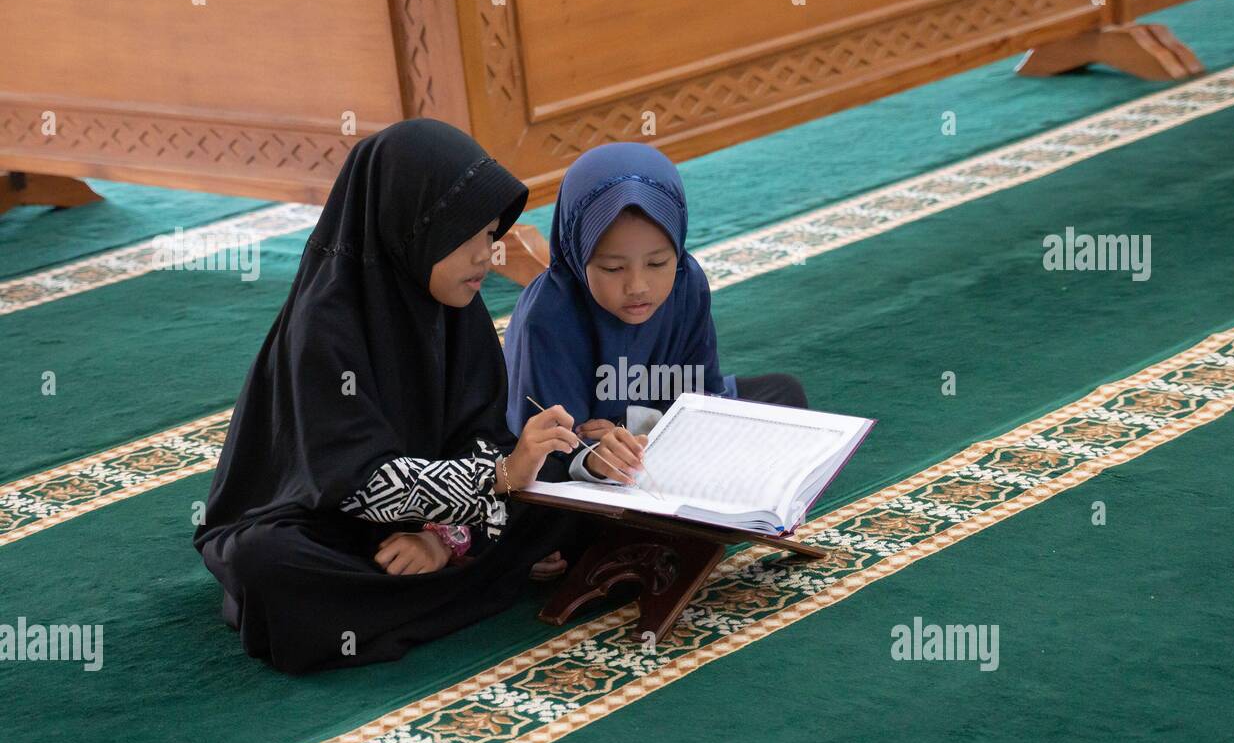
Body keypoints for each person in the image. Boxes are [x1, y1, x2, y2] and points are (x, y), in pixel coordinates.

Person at [194, 119, 582, 674]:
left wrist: (447, 540)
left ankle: (448, 580)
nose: (487, 254)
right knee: (267, 566)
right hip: (329, 523)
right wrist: (497, 481)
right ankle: (482, 582)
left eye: (491, 233)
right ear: (411, 226)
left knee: (566, 478)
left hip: (441, 521)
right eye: (468, 234)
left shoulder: (458, 311)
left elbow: (480, 438)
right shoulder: (325, 326)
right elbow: (351, 482)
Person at [503, 142, 806, 486]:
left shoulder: (686, 282)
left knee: (783, 396)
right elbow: (553, 445)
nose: (638, 286)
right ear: (577, 254)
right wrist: (597, 453)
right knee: (557, 488)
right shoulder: (549, 316)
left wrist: (629, 427)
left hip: (648, 431)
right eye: (613, 268)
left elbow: (698, 400)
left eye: (657, 263)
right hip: (587, 466)